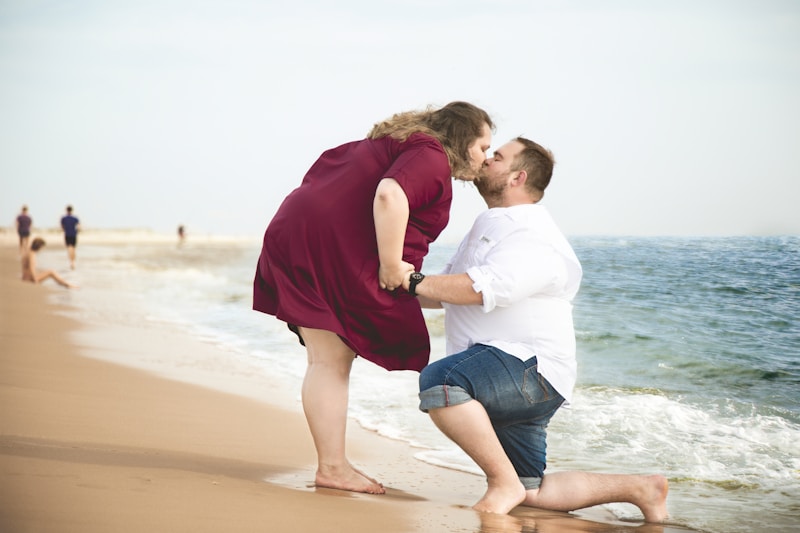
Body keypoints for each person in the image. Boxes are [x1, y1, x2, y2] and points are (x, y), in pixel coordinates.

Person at [402, 137, 669, 521]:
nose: (486, 159)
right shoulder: (494, 224)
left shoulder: (531, 231)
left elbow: (486, 288)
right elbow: (443, 292)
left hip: (526, 368)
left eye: (497, 157)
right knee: (531, 491)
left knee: (442, 381)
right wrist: (383, 289)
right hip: (519, 374)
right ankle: (643, 489)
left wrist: (412, 281)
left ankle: (501, 483)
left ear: (518, 177)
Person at [253, 101, 494, 494]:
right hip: (319, 245)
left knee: (329, 358)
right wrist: (391, 264)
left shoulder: (402, 144)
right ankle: (332, 468)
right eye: (483, 146)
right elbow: (389, 195)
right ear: (462, 137)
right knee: (329, 361)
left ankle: (334, 464)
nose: (485, 158)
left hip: (306, 236)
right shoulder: (430, 154)